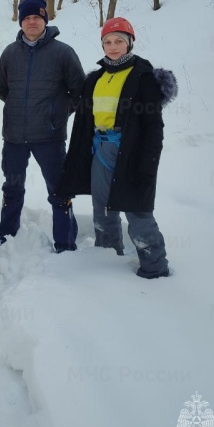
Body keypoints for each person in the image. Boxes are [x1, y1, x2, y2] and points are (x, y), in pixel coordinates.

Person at [60, 17, 176, 278]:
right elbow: (83, 122)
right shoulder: (96, 78)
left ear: (130, 43)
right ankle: (107, 258)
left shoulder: (143, 77)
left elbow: (153, 128)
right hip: (99, 150)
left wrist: (148, 164)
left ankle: (155, 266)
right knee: (102, 208)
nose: (113, 47)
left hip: (130, 154)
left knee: (137, 209)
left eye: (119, 41)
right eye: (108, 42)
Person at [0, 0, 85, 251]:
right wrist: (17, 110)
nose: (32, 22)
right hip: (13, 137)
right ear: (21, 22)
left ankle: (65, 243)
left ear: (45, 20)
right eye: (27, 18)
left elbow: (79, 93)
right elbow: (2, 89)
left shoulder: (63, 52)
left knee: (59, 190)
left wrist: (55, 113)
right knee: (12, 187)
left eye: (37, 17)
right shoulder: (10, 53)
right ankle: (7, 236)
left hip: (49, 137)